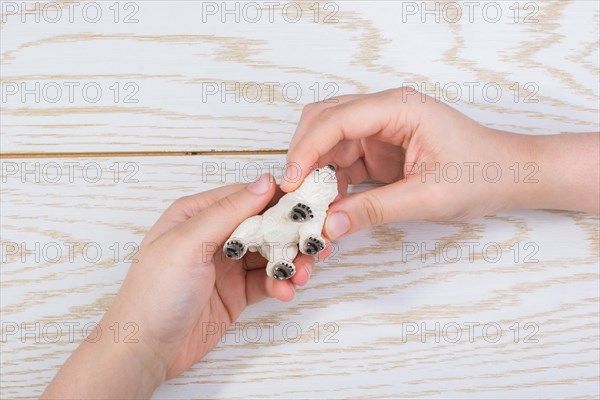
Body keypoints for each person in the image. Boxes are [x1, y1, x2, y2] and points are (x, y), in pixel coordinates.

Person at [42, 89, 599, 398]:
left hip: (273, 237)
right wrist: (141, 350)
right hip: (268, 235)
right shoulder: (285, 217)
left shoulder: (309, 212)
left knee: (280, 248)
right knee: (273, 246)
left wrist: (138, 352)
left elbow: (305, 230)